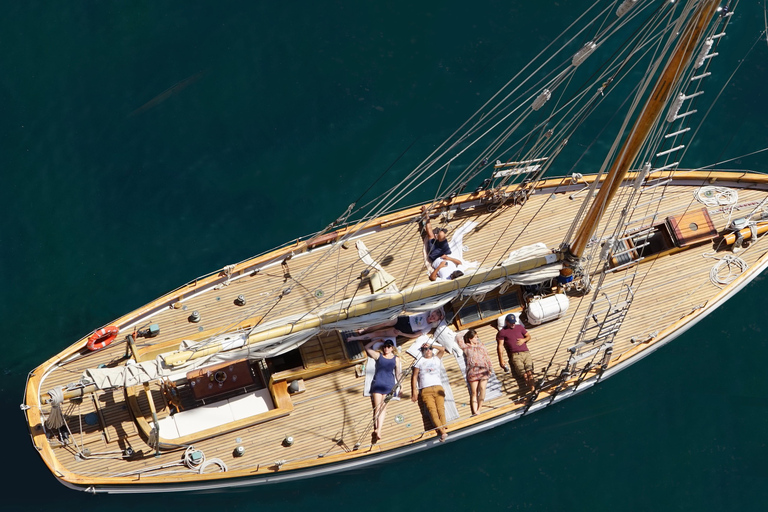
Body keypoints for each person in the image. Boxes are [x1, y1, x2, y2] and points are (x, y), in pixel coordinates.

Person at [365, 339, 401, 443]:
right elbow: (367, 348)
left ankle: (378, 430)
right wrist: (376, 340)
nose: (386, 348)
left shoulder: (396, 359)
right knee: (377, 407)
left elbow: (398, 374)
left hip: (389, 385)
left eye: (389, 346)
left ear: (392, 348)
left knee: (383, 407)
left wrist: (400, 386)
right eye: (385, 346)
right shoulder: (378, 356)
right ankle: (378, 429)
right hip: (378, 383)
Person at [411, 342, 448, 441]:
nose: (428, 351)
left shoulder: (436, 359)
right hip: (426, 389)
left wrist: (431, 345)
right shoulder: (419, 361)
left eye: (430, 349)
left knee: (441, 408)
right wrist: (414, 391)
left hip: (438, 387)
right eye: (426, 349)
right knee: (432, 411)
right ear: (422, 351)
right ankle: (443, 431)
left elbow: (443, 349)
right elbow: (414, 376)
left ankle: (443, 428)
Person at [456, 329, 492, 416]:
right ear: (470, 339)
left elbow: (487, 357)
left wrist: (490, 368)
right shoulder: (466, 347)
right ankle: (475, 412)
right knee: (474, 392)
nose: (477, 339)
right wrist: (467, 331)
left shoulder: (481, 346)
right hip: (472, 371)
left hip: (483, 370)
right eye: (475, 337)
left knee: (482, 388)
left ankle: (479, 408)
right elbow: (458, 337)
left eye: (477, 337)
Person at [348, 309, 444, 341]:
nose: (432, 317)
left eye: (434, 318)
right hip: (404, 319)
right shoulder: (427, 312)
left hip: (405, 329)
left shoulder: (428, 327)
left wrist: (401, 334)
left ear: (435, 320)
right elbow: (435, 305)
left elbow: (415, 335)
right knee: (384, 322)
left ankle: (354, 338)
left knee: (378, 333)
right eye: (433, 315)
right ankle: (364, 330)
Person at [496, 314, 534, 392]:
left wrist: (523, 340)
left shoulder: (519, 327)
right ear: (507, 322)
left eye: (514, 322)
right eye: (511, 323)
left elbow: (528, 336)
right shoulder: (502, 332)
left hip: (526, 352)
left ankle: (533, 389)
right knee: (524, 374)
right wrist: (501, 359)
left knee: (530, 372)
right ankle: (530, 388)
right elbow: (500, 346)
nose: (513, 324)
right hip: (515, 355)